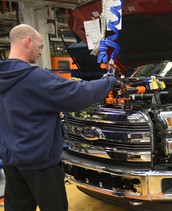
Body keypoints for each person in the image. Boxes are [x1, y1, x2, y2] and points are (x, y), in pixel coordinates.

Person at [0, 24, 118, 210]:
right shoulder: (35, 78)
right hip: (41, 163)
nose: (40, 53)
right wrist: (109, 81)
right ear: (27, 41)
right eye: (40, 47)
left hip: (11, 160)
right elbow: (79, 94)